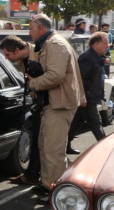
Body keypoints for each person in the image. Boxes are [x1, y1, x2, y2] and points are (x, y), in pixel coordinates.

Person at [26, 13, 85, 200]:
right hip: (54, 102)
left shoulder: (54, 44)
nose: (29, 33)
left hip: (60, 104)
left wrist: (33, 83)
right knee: (45, 146)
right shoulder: (50, 42)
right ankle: (48, 185)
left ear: (40, 28)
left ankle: (57, 193)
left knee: (53, 150)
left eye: (30, 28)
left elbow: (55, 76)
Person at [0, 35, 41, 186]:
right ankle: (32, 174)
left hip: (52, 102)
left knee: (45, 142)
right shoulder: (22, 59)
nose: (6, 58)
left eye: (8, 54)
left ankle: (46, 178)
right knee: (37, 139)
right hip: (38, 99)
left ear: (17, 49)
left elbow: (53, 76)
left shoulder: (40, 53)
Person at [67, 31, 109, 153]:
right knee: (96, 123)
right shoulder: (88, 57)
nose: (108, 45)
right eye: (105, 43)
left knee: (76, 122)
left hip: (90, 96)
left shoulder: (97, 57)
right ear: (95, 44)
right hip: (87, 98)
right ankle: (107, 150)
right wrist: (82, 96)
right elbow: (80, 79)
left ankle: (65, 146)